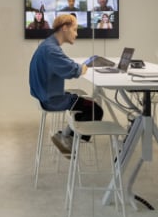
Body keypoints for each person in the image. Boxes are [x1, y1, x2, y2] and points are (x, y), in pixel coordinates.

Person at [29, 13, 104, 155]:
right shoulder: (52, 50)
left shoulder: (48, 45)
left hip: (45, 95)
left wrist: (77, 67)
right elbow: (72, 71)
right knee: (95, 110)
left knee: (85, 103)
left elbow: (64, 64)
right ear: (64, 28)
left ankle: (65, 134)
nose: (76, 34)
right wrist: (82, 68)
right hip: (51, 99)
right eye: (75, 29)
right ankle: (66, 138)